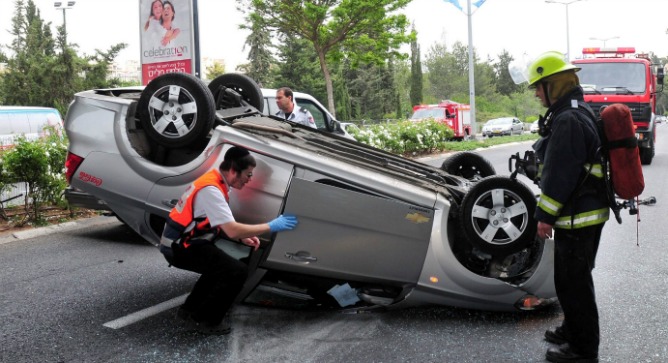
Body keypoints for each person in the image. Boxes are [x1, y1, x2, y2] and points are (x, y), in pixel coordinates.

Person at [159, 146, 298, 335]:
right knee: (236, 271)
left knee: (219, 266)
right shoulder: (211, 190)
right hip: (179, 247)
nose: (249, 180)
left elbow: (222, 223)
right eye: (248, 175)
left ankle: (188, 311)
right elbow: (231, 230)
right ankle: (207, 320)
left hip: (186, 241)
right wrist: (270, 226)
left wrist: (245, 235)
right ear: (234, 171)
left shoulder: (217, 182)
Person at [527, 51, 609, 363]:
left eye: (539, 86)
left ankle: (583, 351)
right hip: (581, 213)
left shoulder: (569, 119)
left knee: (575, 285)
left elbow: (561, 174)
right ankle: (571, 331)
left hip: (579, 216)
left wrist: (544, 216)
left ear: (554, 85)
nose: (536, 93)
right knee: (569, 280)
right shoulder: (571, 112)